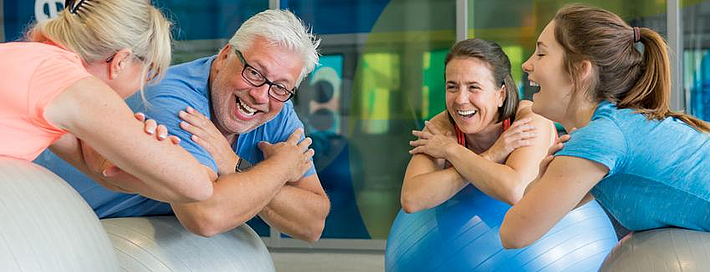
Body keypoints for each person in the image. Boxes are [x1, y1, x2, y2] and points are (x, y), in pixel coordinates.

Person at [44, 9, 330, 241]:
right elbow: (207, 216)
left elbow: (313, 223)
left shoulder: (276, 108)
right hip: (49, 225)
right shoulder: (170, 97)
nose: (260, 95)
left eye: (280, 87)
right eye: (254, 72)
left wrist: (235, 165)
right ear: (225, 57)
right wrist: (282, 166)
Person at [501, 4, 710, 249]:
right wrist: (543, 177)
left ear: (581, 70)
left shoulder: (601, 138)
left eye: (541, 54)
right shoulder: (618, 127)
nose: (526, 64)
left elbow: (513, 233)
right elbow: (537, 209)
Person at [1, 0, 213, 202]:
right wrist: (207, 167)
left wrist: (119, 154)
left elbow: (98, 169)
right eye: (149, 72)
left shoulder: (27, 60)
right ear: (120, 61)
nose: (143, 86)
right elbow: (198, 187)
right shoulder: (72, 83)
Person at [401, 38, 555, 213]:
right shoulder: (442, 127)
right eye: (452, 87)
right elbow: (411, 199)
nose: (460, 99)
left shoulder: (529, 119)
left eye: (473, 87)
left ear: (501, 94)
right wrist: (492, 155)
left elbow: (515, 191)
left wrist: (451, 151)